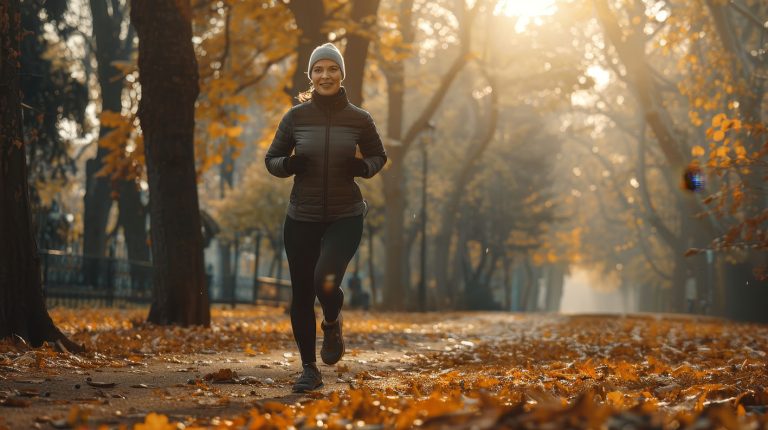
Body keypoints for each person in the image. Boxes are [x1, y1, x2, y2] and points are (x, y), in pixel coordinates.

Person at [265, 42, 387, 393]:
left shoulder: (360, 119)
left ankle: (332, 321)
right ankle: (308, 369)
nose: (325, 75)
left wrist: (363, 167)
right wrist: (288, 165)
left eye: (332, 69)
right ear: (311, 76)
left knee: (325, 281)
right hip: (300, 215)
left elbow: (379, 156)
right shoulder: (295, 117)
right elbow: (271, 159)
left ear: (341, 74)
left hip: (344, 214)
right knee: (302, 293)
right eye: (318, 69)